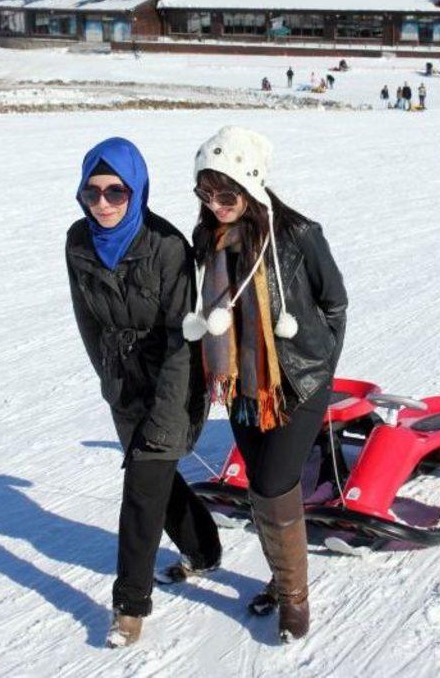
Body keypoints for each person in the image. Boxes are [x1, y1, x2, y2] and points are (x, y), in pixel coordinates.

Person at [182, 127, 347, 642]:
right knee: (259, 481)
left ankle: (295, 598)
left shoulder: (298, 235)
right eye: (205, 194)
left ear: (250, 186)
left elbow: (335, 303)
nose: (216, 205)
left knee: (275, 481)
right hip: (241, 383)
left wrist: (316, 365)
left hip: (296, 382)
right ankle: (280, 578)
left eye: (225, 193)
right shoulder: (207, 237)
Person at [66, 137, 221, 648]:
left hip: (174, 379)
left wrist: (167, 409)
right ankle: (203, 549)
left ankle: (129, 604)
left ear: (137, 190)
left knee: (141, 489)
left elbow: (182, 339)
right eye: (93, 192)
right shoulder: (78, 242)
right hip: (122, 381)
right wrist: (109, 381)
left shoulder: (167, 246)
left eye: (117, 192)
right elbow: (88, 321)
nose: (104, 203)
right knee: (154, 475)